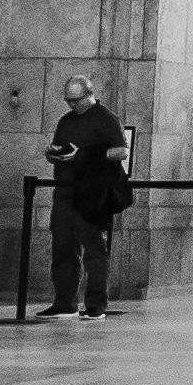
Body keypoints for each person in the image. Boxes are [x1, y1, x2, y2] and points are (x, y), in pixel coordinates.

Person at [47, 75, 131, 320]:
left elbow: (121, 151)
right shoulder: (65, 121)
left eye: (76, 100)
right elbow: (59, 145)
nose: (72, 105)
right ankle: (64, 302)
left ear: (89, 94)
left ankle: (95, 304)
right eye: (68, 100)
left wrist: (82, 155)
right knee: (62, 248)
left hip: (92, 194)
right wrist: (53, 153)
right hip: (64, 191)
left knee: (94, 250)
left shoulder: (106, 118)